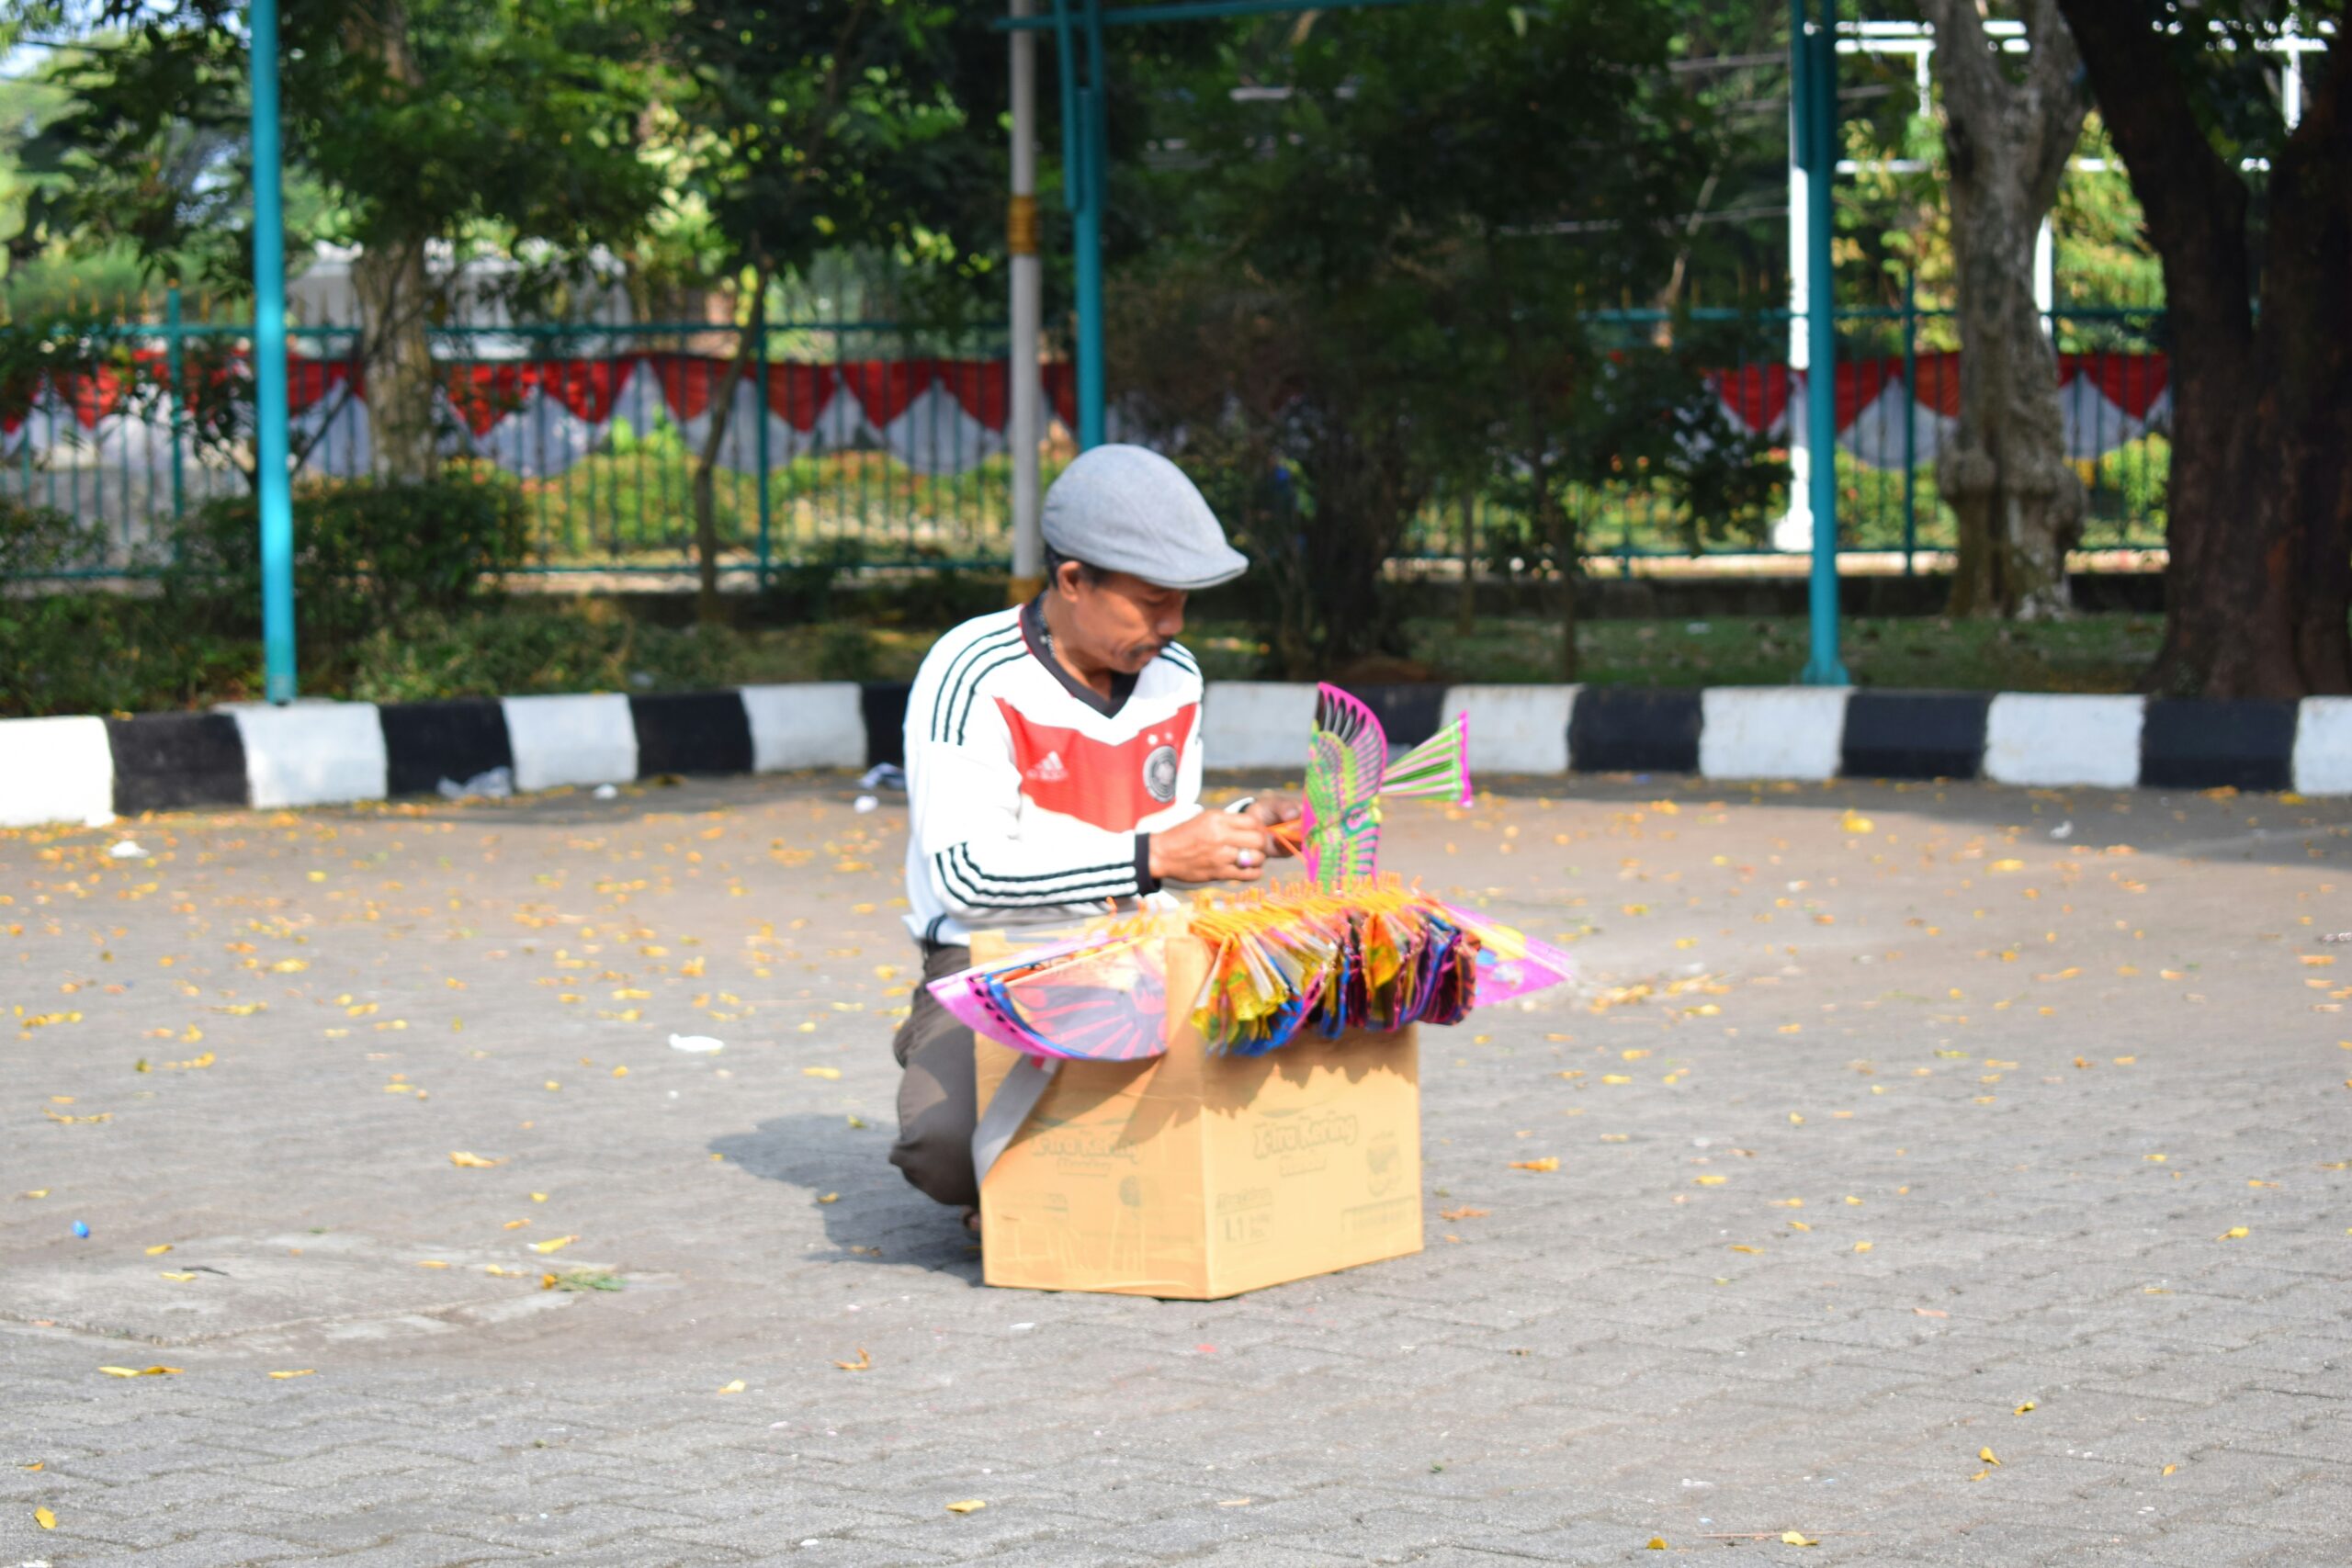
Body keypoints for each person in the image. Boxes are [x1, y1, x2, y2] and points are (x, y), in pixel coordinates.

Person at [890, 444, 1300, 1223]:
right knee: (942, 1149)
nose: (1173, 625)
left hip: (1138, 953)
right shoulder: (972, 671)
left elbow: (1161, 833)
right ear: (1073, 581)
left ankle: (1051, 1176)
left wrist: (1240, 825)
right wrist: (1155, 856)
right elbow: (965, 876)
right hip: (996, 960)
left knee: (1269, 1073)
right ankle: (945, 1050)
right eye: (1152, 602)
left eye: (1181, 602)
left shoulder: (1175, 672)